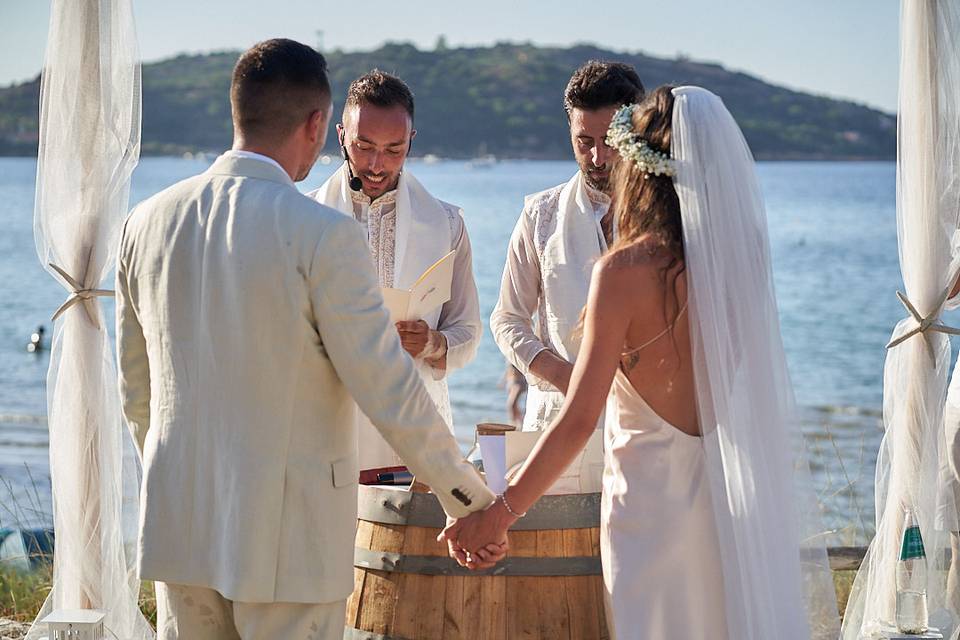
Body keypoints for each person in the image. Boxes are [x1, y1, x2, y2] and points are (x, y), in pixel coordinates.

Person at [116, 39, 499, 640]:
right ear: (324, 125)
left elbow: (136, 392)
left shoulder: (144, 223)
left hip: (179, 526)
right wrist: (472, 502)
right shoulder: (320, 233)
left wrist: (178, 476)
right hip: (286, 545)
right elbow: (388, 391)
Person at [444, 86, 839, 639]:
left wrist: (499, 513)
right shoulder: (740, 254)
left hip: (646, 514)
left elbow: (578, 420)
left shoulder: (624, 272)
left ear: (640, 163)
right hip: (725, 505)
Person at [309, 70, 481, 469]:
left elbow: (469, 334)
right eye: (363, 145)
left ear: (412, 142)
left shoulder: (448, 225)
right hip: (325, 425)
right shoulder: (303, 219)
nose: (375, 164)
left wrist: (433, 343)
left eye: (393, 150)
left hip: (414, 423)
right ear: (340, 136)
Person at [490, 60, 644, 431]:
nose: (597, 157)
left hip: (645, 425)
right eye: (584, 142)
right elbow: (507, 319)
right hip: (555, 418)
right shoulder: (539, 214)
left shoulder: (669, 218)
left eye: (609, 142)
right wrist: (559, 373)